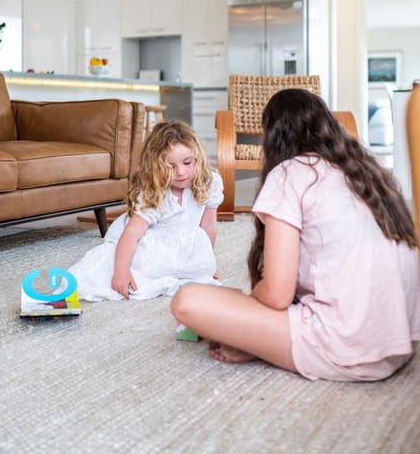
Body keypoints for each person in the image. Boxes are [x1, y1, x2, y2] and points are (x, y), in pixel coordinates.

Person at [171, 88, 420, 382]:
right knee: (236, 297)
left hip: (347, 346)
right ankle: (261, 340)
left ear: (272, 137)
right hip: (401, 343)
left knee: (186, 300)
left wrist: (250, 308)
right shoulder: (366, 173)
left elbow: (277, 295)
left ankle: (259, 343)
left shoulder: (290, 172)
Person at [68, 119, 223, 301]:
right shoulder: (154, 193)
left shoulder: (209, 182)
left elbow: (209, 225)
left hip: (183, 244)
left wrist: (207, 264)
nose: (181, 172)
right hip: (148, 240)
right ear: (156, 167)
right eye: (170, 166)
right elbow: (132, 234)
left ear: (199, 159)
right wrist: (121, 271)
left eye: (187, 163)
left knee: (196, 276)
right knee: (104, 273)